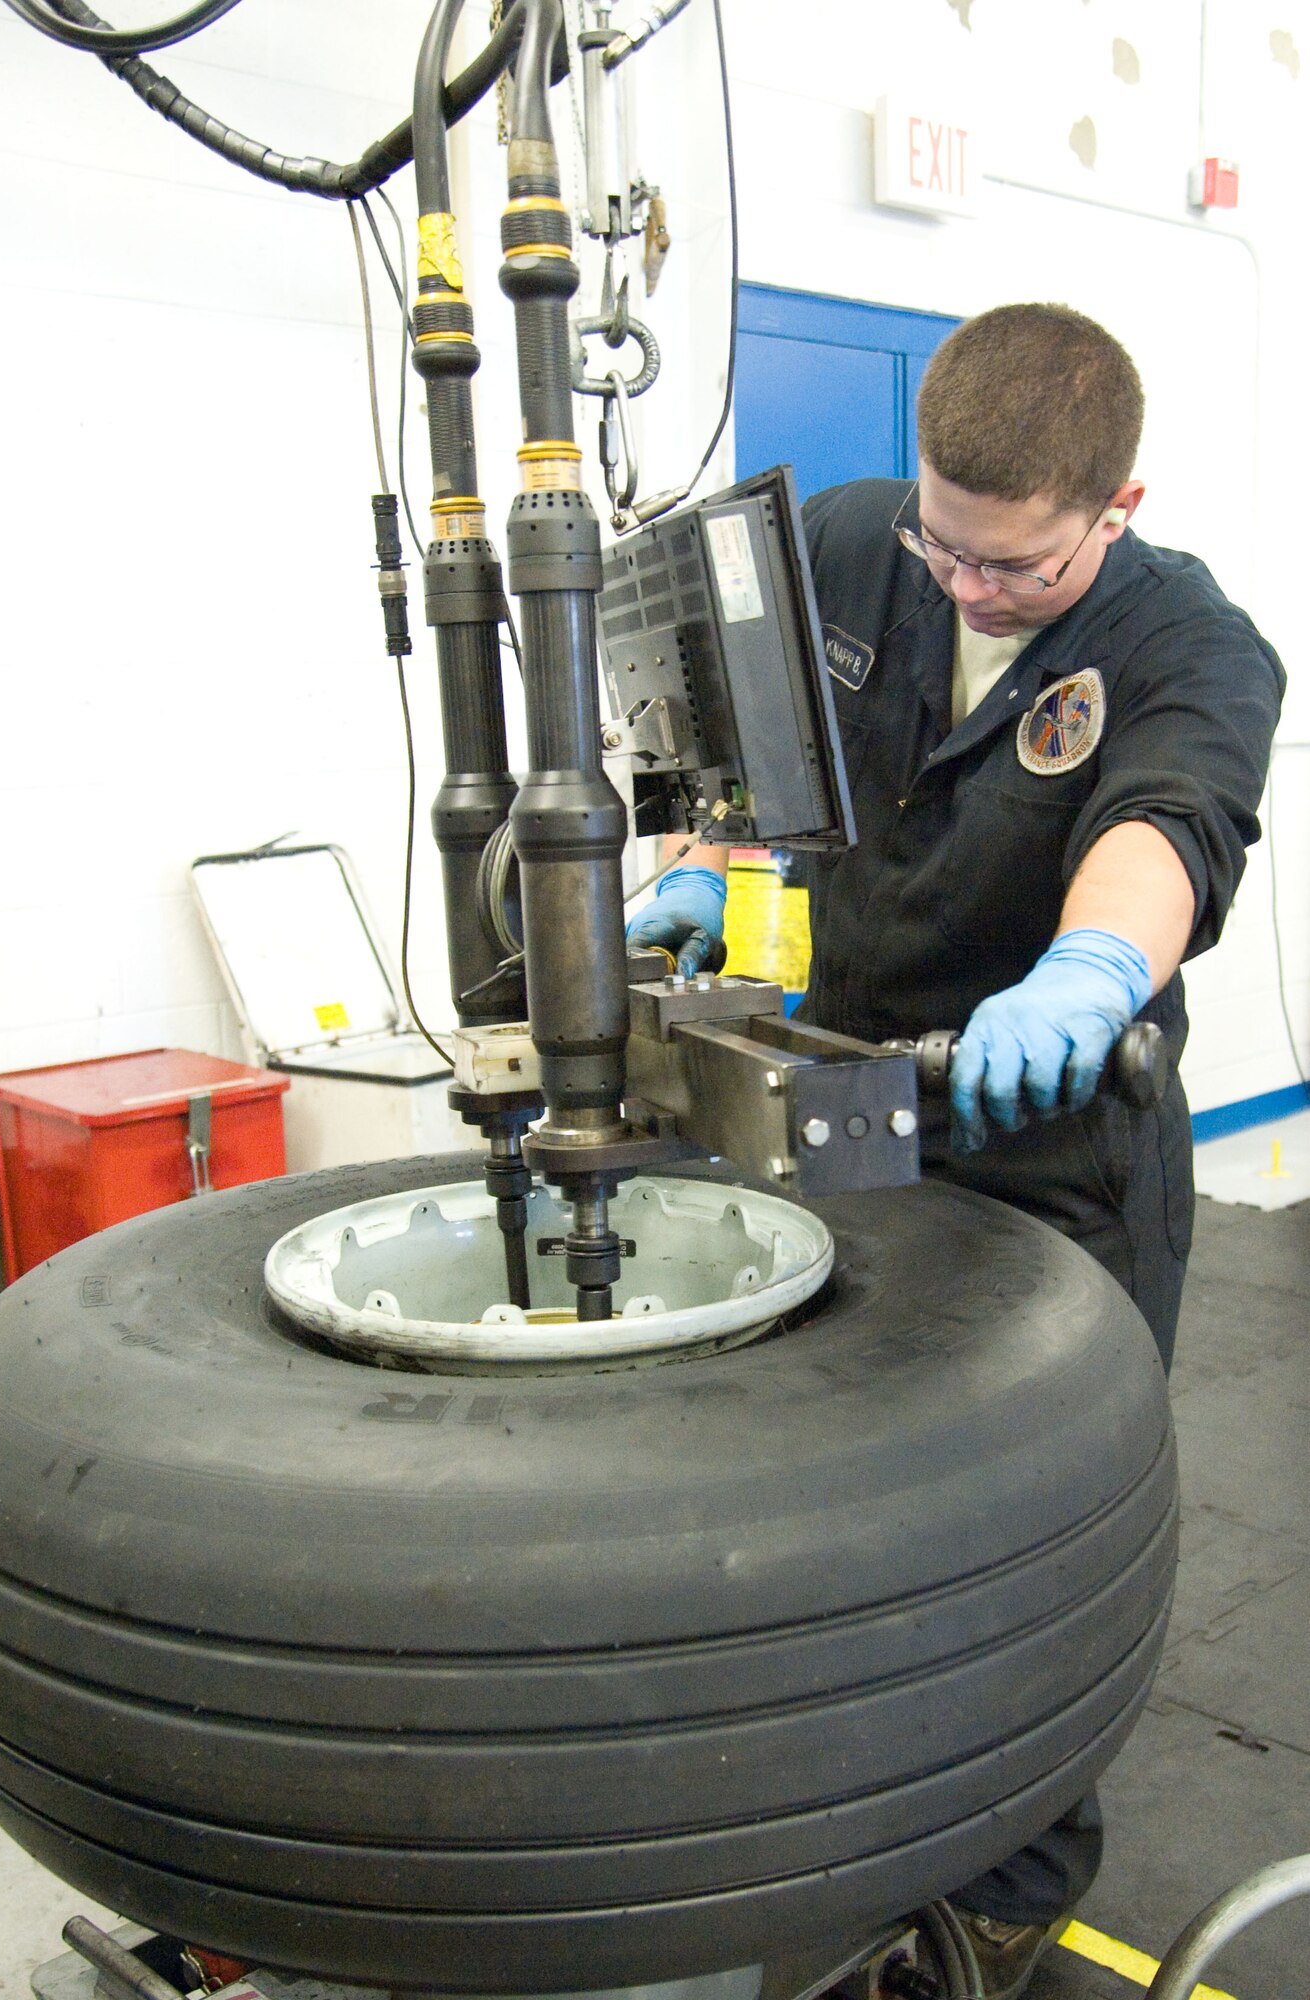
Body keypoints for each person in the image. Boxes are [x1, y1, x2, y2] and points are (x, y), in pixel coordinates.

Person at [627, 302, 1285, 1996]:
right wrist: (706, 857)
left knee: (1029, 1546)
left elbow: (1163, 825)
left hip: (1056, 1138)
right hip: (848, 1104)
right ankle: (851, 1809)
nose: (963, 585)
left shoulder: (1193, 645)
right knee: (844, 1506)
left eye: (1014, 566)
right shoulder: (855, 546)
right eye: (944, 541)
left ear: (1116, 507)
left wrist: (1086, 975)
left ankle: (1010, 1880)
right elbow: (750, 747)